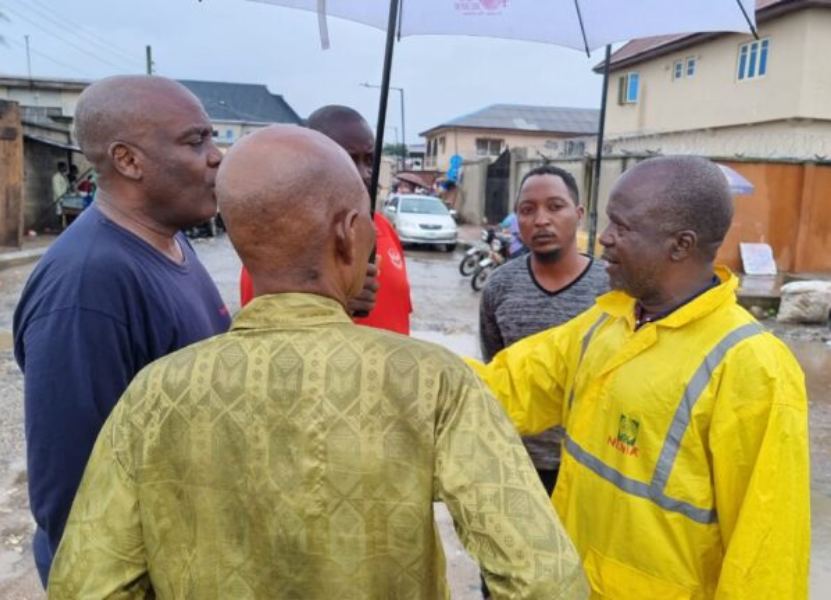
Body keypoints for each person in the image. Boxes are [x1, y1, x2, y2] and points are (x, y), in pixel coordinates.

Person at [48, 125, 589, 599]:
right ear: (344, 233)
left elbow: (87, 585)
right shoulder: (434, 382)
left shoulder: (154, 394)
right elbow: (545, 577)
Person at [468, 156, 810, 598]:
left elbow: (769, 558)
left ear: (680, 245)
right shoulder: (608, 324)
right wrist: (386, 369)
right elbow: (503, 387)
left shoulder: (751, 366)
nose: (604, 238)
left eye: (622, 227)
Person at [13, 75, 231, 586]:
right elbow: (72, 493)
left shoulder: (172, 245)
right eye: (195, 141)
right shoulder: (88, 285)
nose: (216, 157)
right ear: (128, 161)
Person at [480, 165, 609, 495]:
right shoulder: (499, 287)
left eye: (555, 206)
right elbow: (499, 374)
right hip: (517, 465)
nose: (540, 220)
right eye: (527, 210)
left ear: (578, 213)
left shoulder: (613, 291)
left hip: (591, 463)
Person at [240, 105, 412, 335]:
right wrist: (334, 307)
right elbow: (260, 340)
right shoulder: (276, 245)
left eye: (369, 161)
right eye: (348, 160)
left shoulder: (384, 228)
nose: (363, 173)